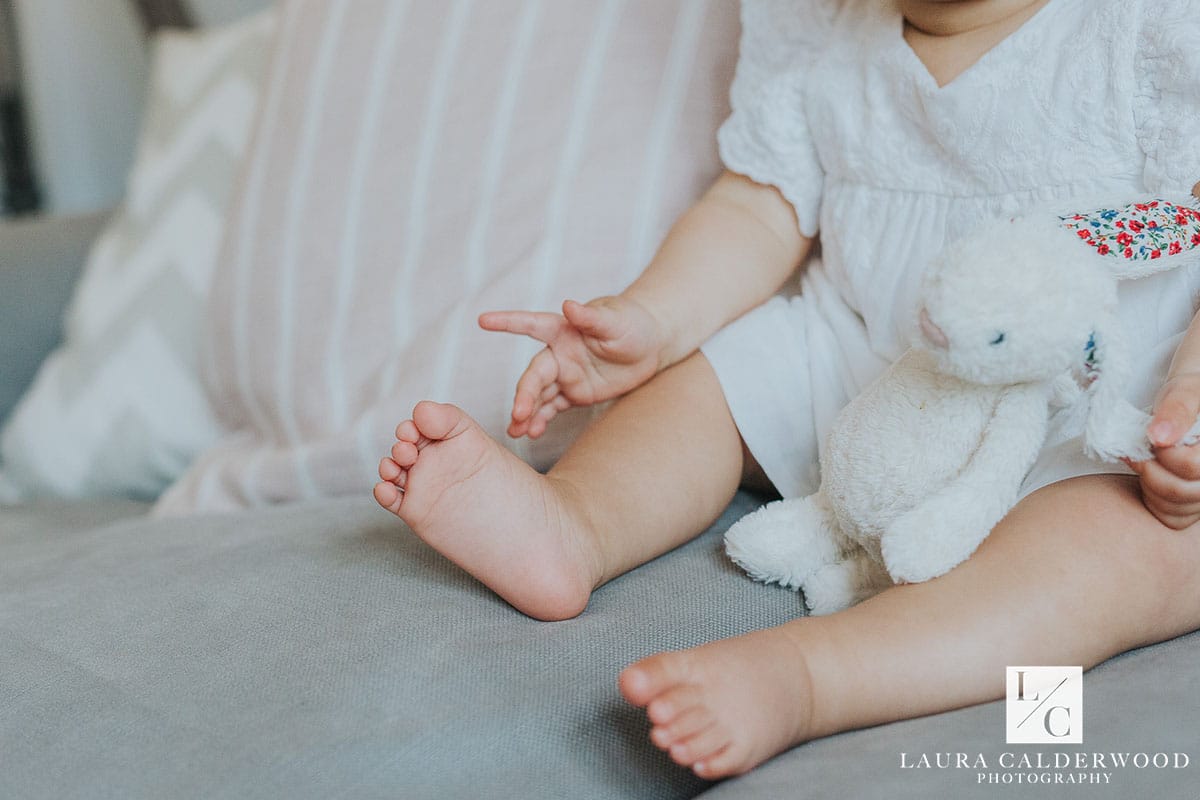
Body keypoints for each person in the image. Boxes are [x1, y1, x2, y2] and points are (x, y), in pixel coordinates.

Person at [373, 0, 1200, 780]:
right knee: (708, 378)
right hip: (874, 379)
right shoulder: (819, 30)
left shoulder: (1151, 30)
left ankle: (811, 677)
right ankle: (575, 522)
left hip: (1095, 415)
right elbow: (762, 207)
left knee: (1131, 550)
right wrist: (653, 320)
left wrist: (1191, 391)